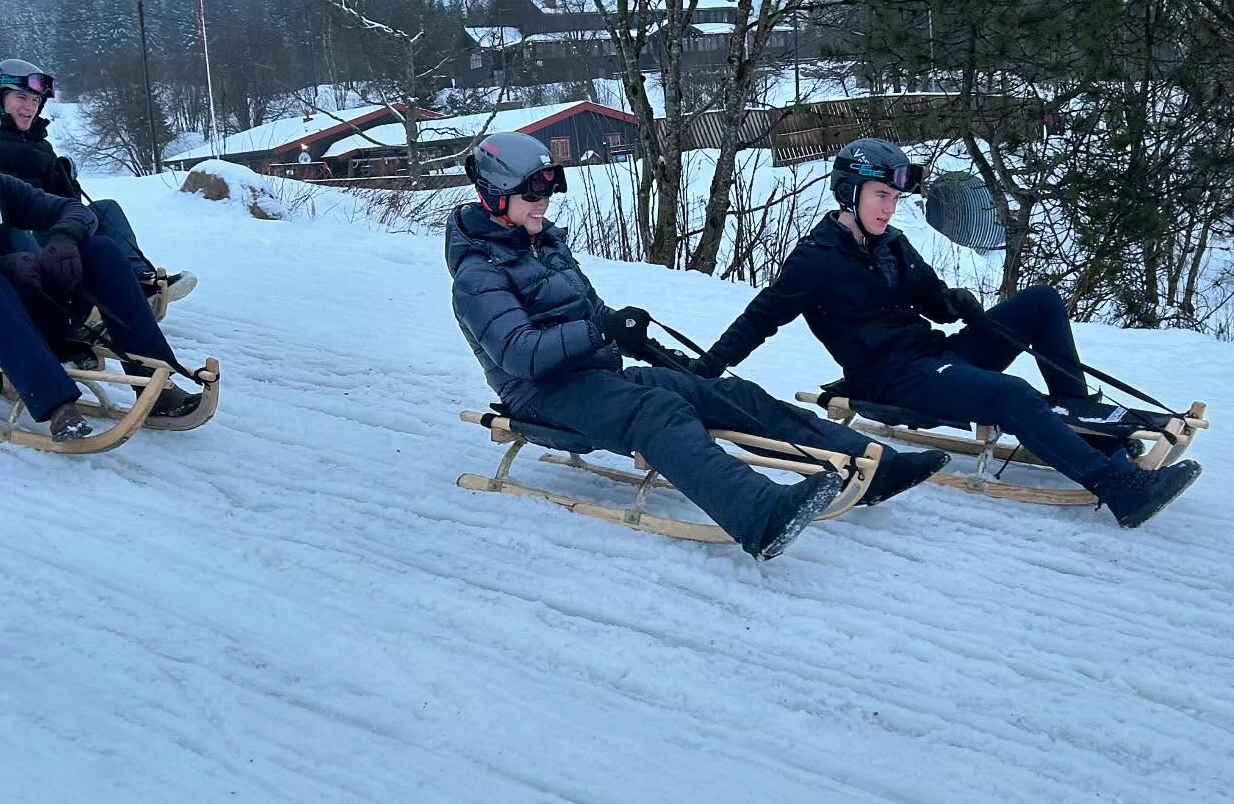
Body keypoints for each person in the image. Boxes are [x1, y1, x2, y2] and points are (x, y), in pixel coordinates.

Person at [446, 133, 947, 562]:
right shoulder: (477, 274)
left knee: (723, 391)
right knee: (658, 410)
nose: (543, 203)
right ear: (495, 192)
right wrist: (599, 333)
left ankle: (871, 463)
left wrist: (630, 335)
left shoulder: (545, 243)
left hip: (596, 374)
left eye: (547, 193)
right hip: (543, 392)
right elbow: (519, 354)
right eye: (531, 194)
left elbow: (591, 312)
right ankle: (756, 513)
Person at [691, 137, 1202, 529]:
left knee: (1041, 301)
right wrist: (705, 370)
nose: (889, 208)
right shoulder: (816, 261)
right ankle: (1119, 489)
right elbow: (761, 317)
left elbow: (935, 305)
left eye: (893, 197)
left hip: (936, 357)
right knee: (1010, 393)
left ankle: (1083, 423)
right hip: (892, 379)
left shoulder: (891, 244)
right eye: (880, 195)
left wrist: (956, 302)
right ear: (850, 192)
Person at [0, 73, 203, 443]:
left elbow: (76, 212)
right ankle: (58, 404)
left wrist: (63, 239)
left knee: (99, 250)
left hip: (18, 313)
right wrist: (1, 266)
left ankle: (154, 381)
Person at [0, 59, 195, 302]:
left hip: (51, 226)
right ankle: (58, 300)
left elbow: (65, 200)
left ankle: (138, 277)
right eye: (21, 97)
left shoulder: (41, 145)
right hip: (15, 234)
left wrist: (63, 179)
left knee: (105, 210)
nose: (30, 107)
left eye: (35, 100)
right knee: (20, 230)